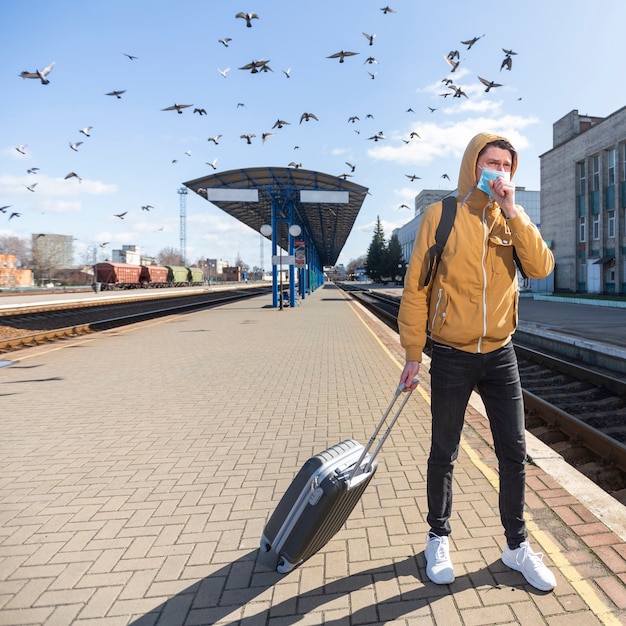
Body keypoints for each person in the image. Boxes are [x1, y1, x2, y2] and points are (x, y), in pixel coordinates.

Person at [398, 132, 557, 592]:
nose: (499, 173)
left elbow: (542, 267)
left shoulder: (511, 219)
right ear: (473, 166)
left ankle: (515, 546)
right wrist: (413, 352)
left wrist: (514, 211)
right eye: (491, 163)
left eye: (506, 166)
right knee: (444, 452)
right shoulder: (441, 215)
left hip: (500, 353)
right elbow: (416, 289)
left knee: (514, 452)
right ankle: (438, 537)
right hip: (451, 354)